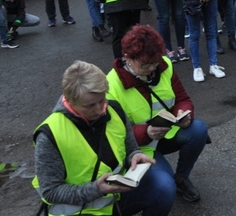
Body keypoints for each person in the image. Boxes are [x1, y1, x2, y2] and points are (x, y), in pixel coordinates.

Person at [32, 60, 168, 216]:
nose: (100, 110)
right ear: (69, 101)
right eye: (89, 105)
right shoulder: (49, 135)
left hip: (115, 198)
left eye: (102, 100)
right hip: (81, 210)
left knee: (162, 186)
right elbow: (50, 192)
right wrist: (96, 189)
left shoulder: (114, 109)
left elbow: (131, 149)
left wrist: (135, 156)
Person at [106, 25, 209, 204]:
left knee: (198, 128)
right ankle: (167, 184)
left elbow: (182, 98)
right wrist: (146, 132)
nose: (152, 68)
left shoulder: (164, 65)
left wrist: (184, 113)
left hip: (167, 133)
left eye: (155, 62)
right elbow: (114, 135)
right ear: (128, 58)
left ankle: (181, 179)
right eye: (145, 65)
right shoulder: (111, 85)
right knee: (164, 185)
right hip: (140, 148)